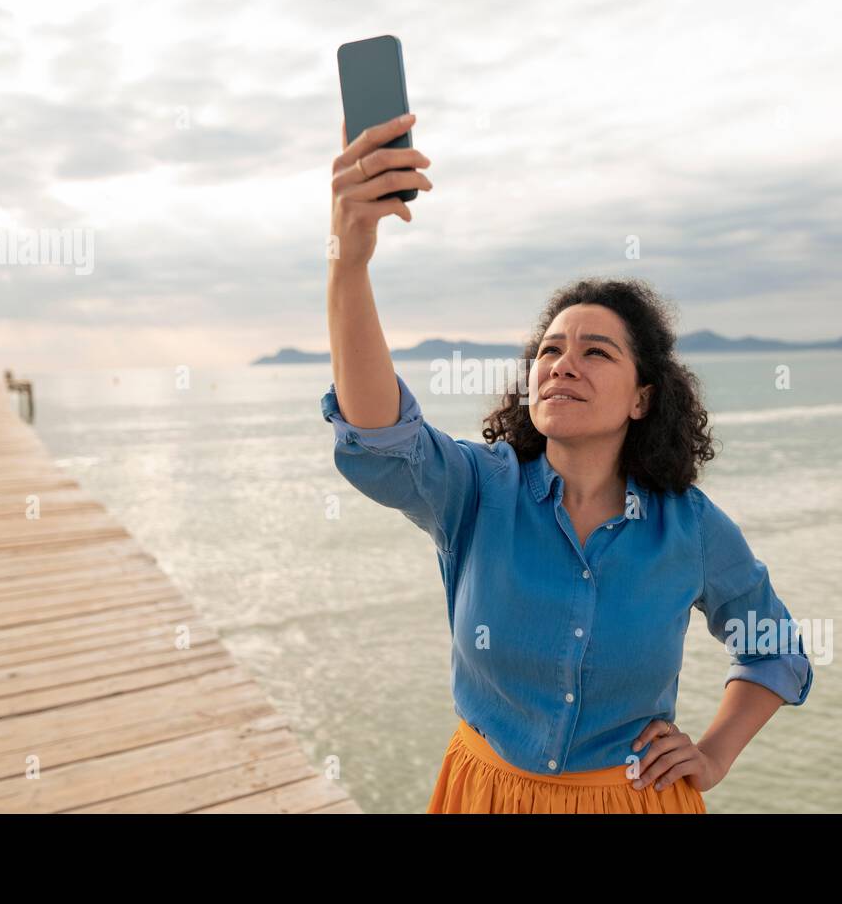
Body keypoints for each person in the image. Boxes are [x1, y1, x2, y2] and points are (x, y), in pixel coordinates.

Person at [322, 114, 813, 814]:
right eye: (550, 350)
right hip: (485, 795)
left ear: (643, 397)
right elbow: (381, 436)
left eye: (596, 352)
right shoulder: (475, 491)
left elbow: (775, 647)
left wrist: (713, 751)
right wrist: (349, 259)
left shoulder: (690, 528)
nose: (562, 365)